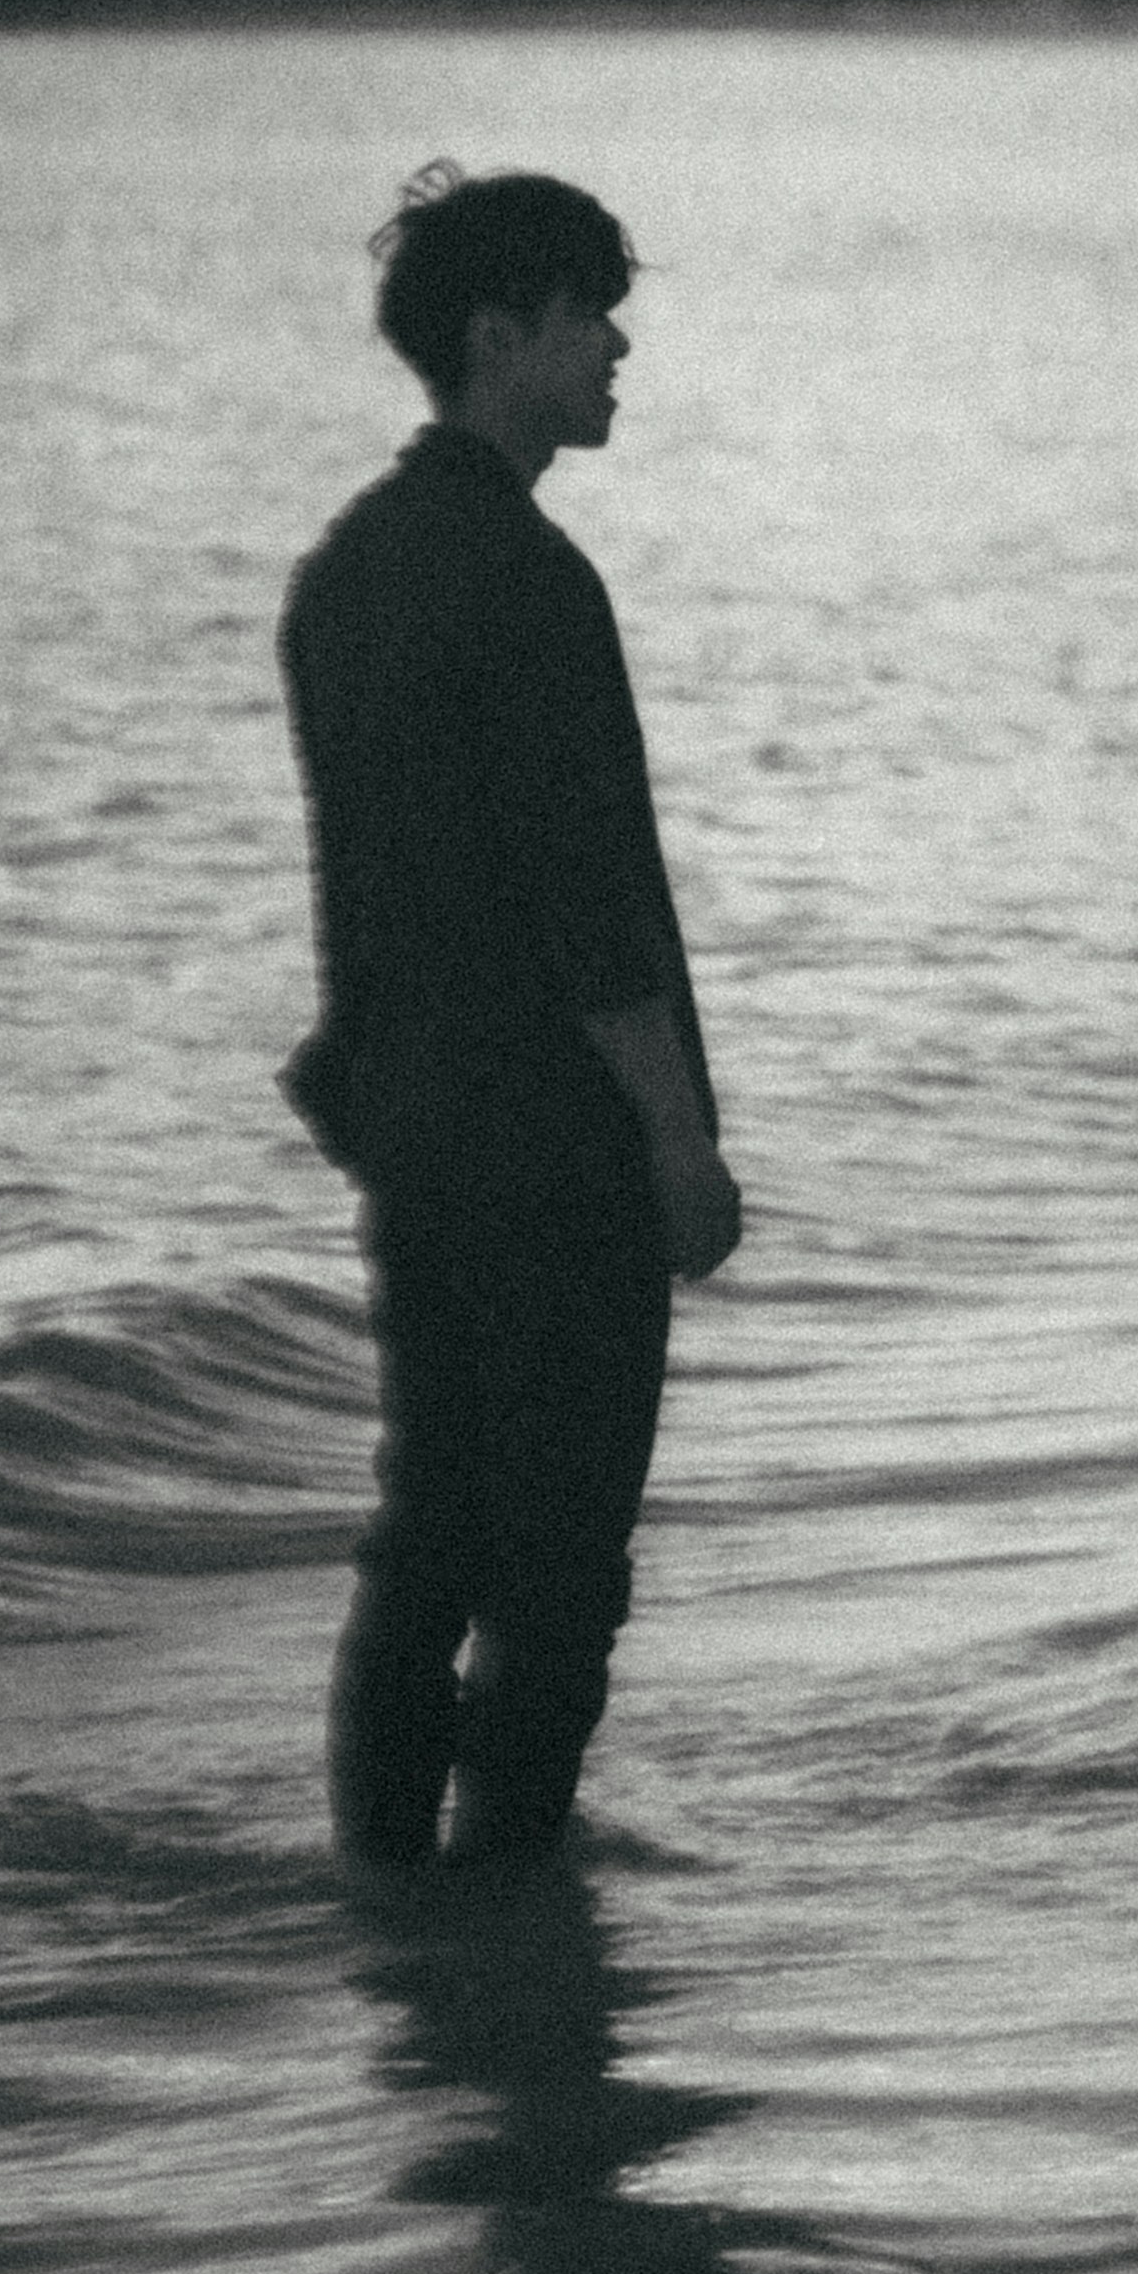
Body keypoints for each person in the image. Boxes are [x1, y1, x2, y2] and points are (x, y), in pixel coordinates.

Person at [278, 161, 741, 1869]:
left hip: (413, 1126)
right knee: (560, 1579)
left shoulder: (350, 568)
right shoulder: (532, 583)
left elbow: (382, 896)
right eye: (588, 313)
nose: (619, 344)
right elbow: (591, 903)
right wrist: (681, 1144)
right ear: (501, 335)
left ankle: (403, 1923)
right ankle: (513, 1935)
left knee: (430, 1543)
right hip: (553, 1144)